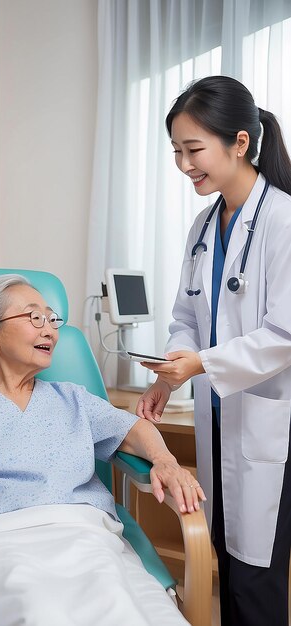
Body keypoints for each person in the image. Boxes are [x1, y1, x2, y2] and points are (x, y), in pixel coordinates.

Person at [0, 274, 204, 626]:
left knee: (109, 597)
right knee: (29, 600)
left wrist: (165, 461)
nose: (50, 330)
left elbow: (134, 429)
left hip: (83, 534)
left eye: (52, 319)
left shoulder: (72, 398)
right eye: (35, 318)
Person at [136, 75, 291, 626]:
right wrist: (167, 377)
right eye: (176, 150)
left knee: (257, 580)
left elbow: (285, 335)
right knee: (227, 565)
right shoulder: (204, 226)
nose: (183, 164)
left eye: (194, 149)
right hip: (218, 421)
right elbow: (186, 318)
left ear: (241, 142)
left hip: (269, 427)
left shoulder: (282, 220)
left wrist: (200, 364)